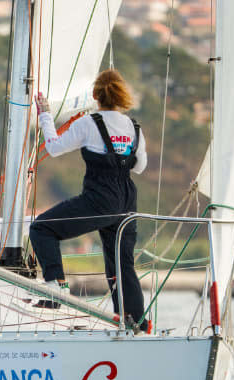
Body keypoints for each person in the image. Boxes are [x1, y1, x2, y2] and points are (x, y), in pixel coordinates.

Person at [29, 69, 149, 332]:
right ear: (122, 95)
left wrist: (45, 115)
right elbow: (140, 166)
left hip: (100, 199)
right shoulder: (133, 126)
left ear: (95, 95)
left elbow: (54, 147)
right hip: (127, 202)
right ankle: (136, 323)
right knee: (122, 264)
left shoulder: (88, 122)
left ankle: (56, 290)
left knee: (41, 228)